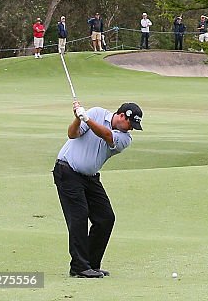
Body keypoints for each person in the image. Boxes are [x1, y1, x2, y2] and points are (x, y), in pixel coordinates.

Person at [53, 99, 143, 278]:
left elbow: (107, 135)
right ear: (122, 115)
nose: (131, 128)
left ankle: (92, 264)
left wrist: (86, 118)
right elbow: (72, 134)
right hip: (67, 172)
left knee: (106, 218)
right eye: (130, 123)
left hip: (90, 178)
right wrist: (78, 119)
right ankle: (79, 267)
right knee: (79, 217)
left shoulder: (125, 139)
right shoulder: (96, 113)